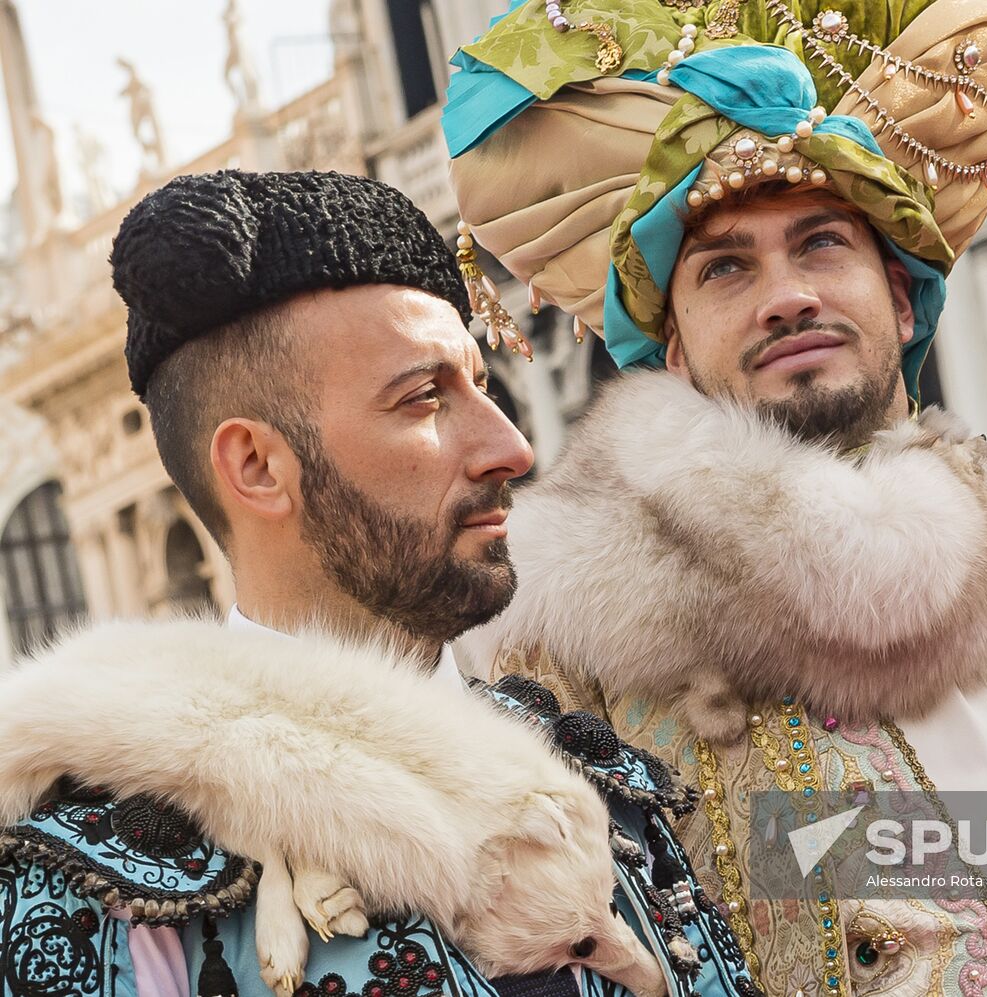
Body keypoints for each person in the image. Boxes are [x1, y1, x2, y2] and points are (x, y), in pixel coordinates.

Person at [442, 1, 987, 995]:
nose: (786, 295)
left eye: (821, 244)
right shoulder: (569, 642)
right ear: (673, 349)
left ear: (901, 298)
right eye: (727, 266)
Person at [0, 170, 756, 997]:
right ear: (256, 466)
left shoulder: (602, 779)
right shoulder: (97, 879)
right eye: (425, 397)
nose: (511, 447)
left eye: (483, 385)